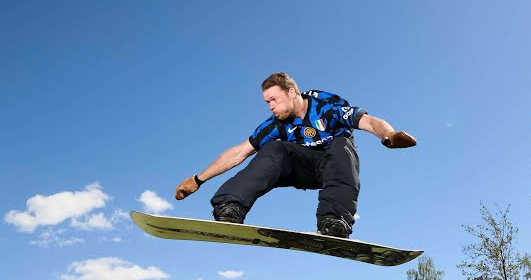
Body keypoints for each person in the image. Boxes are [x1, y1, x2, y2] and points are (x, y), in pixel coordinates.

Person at [174, 72, 416, 239]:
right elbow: (239, 152)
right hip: (300, 169)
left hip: (336, 168)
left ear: (292, 93)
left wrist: (390, 134)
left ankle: (334, 220)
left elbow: (368, 121)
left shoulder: (326, 105)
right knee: (274, 148)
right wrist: (198, 179)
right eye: (267, 101)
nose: (270, 106)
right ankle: (230, 207)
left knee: (342, 144)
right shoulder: (276, 123)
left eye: (274, 100)